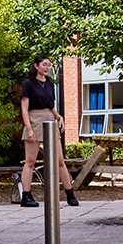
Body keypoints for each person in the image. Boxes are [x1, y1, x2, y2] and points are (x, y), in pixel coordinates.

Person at [19, 56, 79, 208]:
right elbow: (24, 110)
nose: (47, 68)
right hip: (34, 118)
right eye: (44, 65)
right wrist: (30, 129)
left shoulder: (50, 84)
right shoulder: (28, 84)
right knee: (30, 161)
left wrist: (58, 116)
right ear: (36, 66)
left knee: (59, 160)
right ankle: (26, 196)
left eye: (49, 65)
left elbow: (50, 106)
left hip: (49, 118)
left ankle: (70, 194)